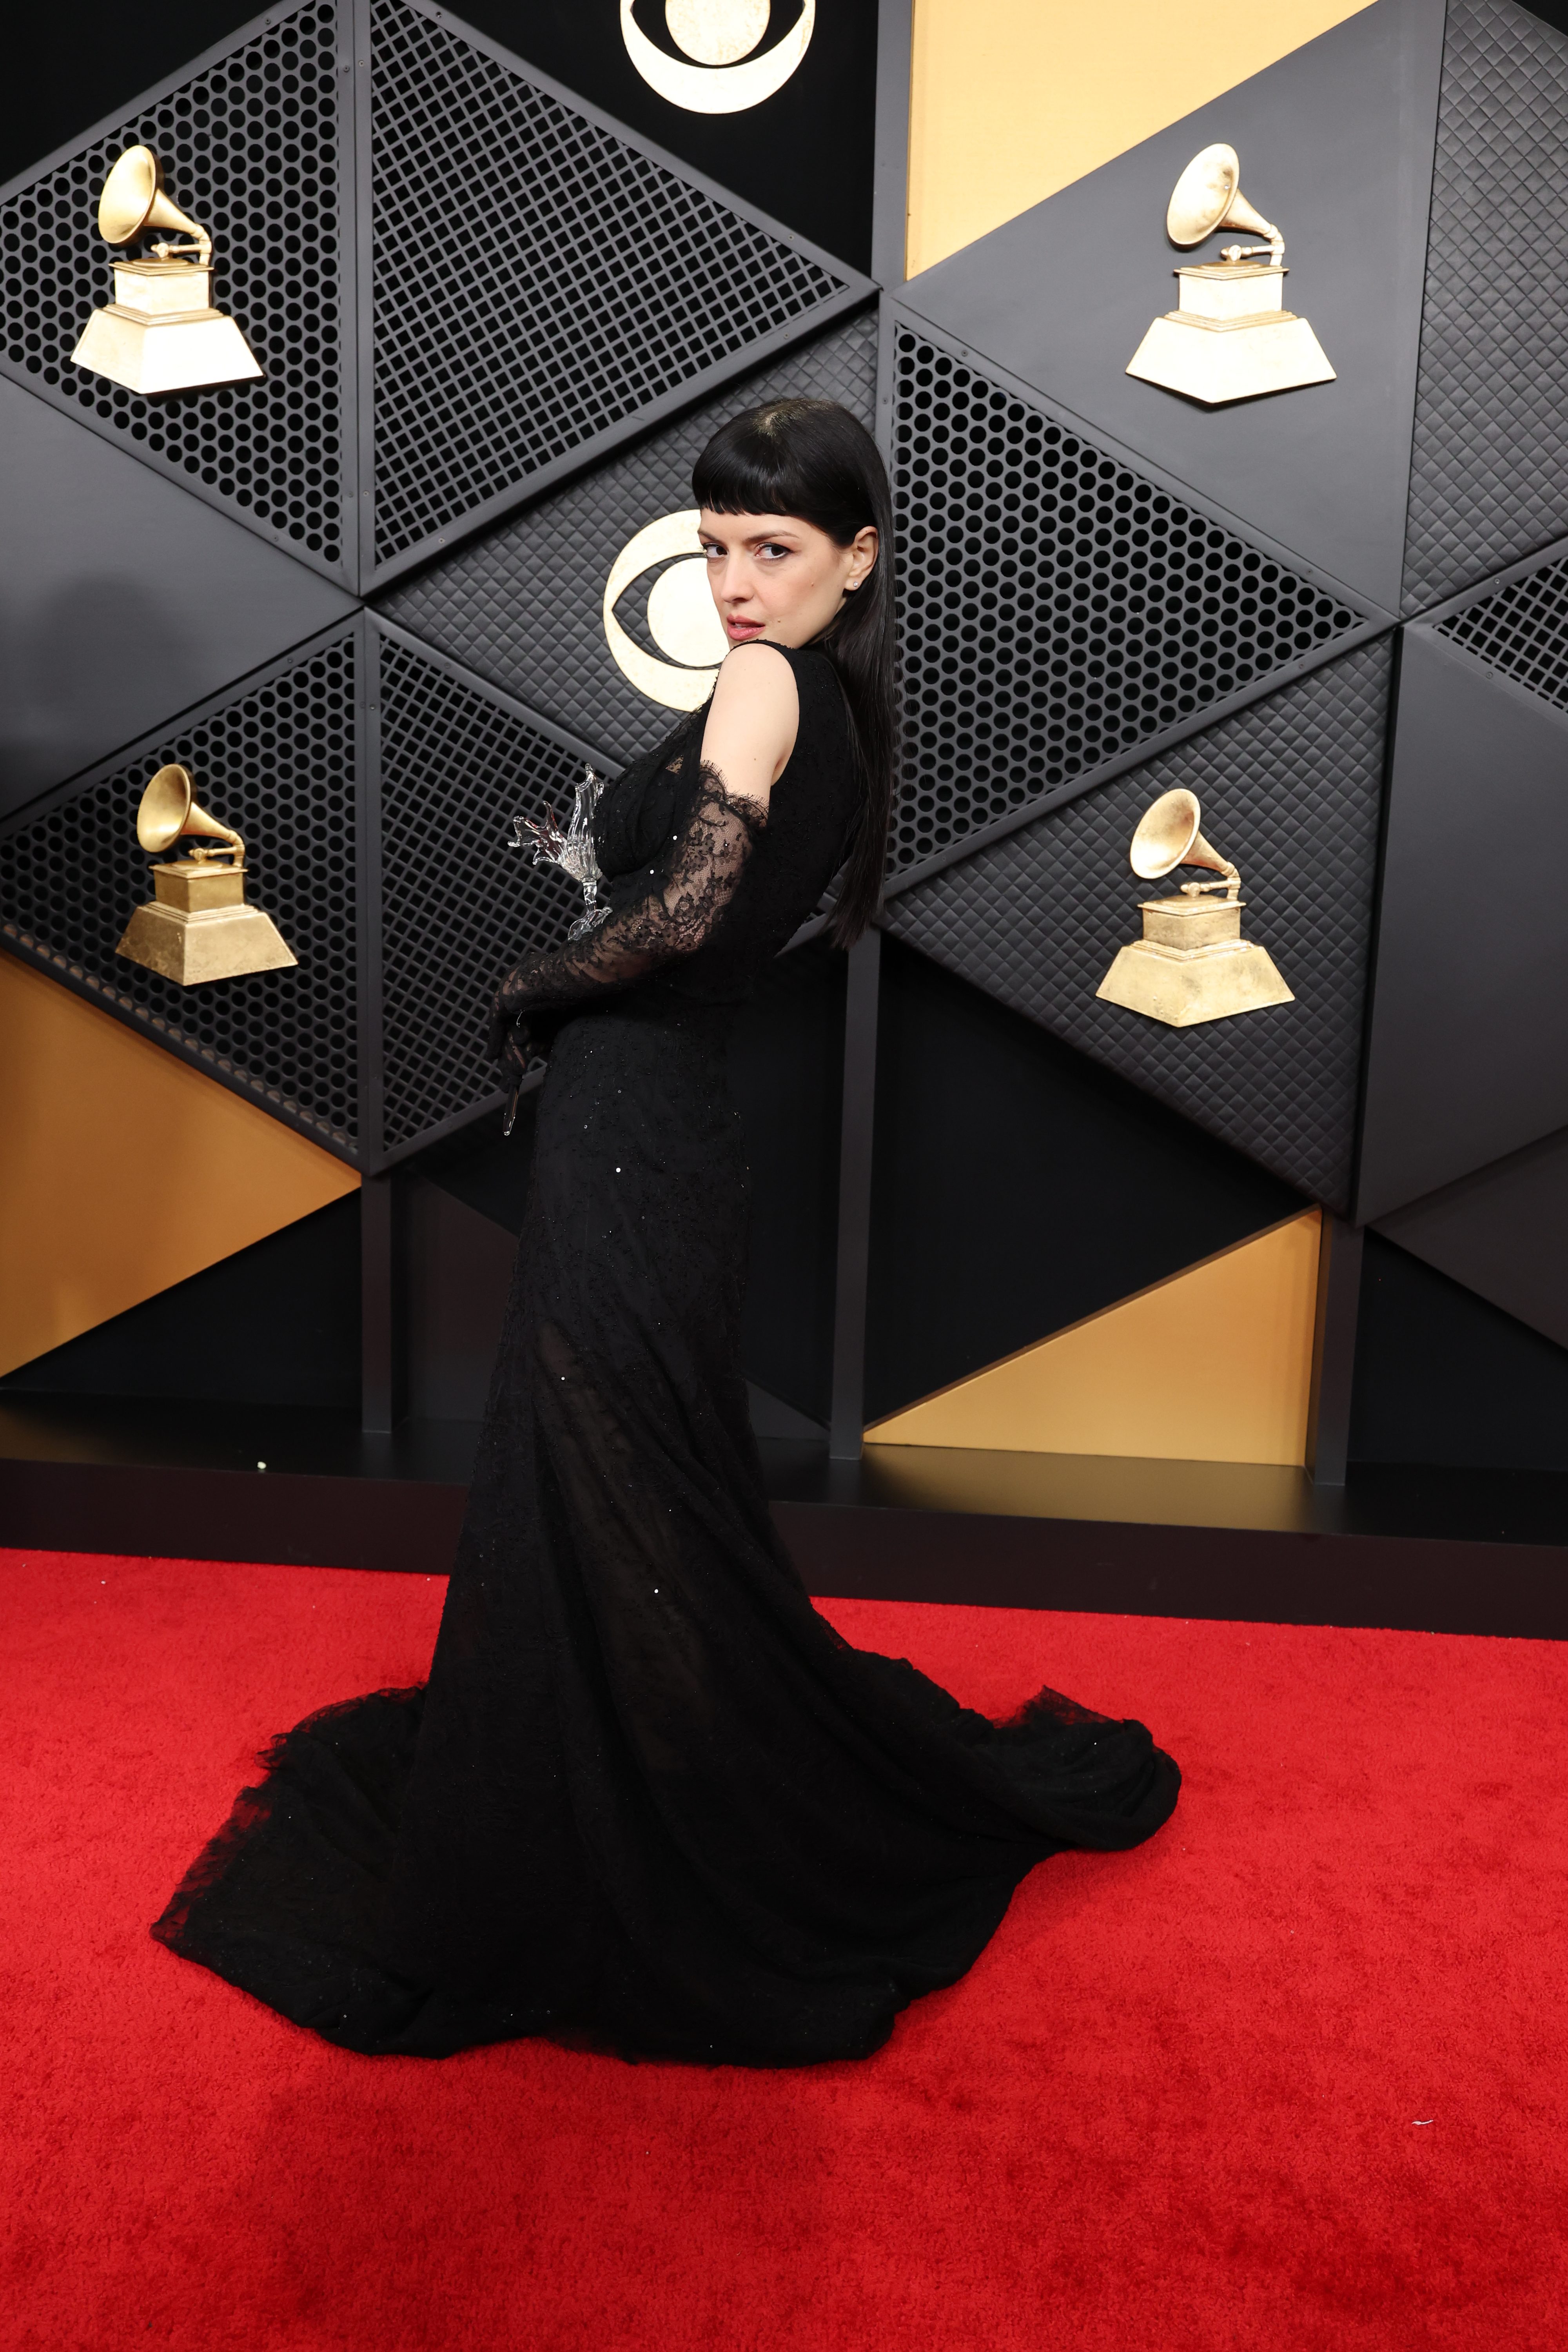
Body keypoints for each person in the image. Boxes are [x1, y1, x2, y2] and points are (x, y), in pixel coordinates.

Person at [153, 399, 1179, 2065]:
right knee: (630, 1472)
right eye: (712, 549)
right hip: (661, 1126)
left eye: (773, 548)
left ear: (858, 557)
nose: (735, 584)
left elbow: (693, 905)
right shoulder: (828, 703)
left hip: (638, 1128)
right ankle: (634, 1762)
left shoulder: (769, 687)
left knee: (613, 1469)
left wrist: (532, 984)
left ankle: (641, 1813)